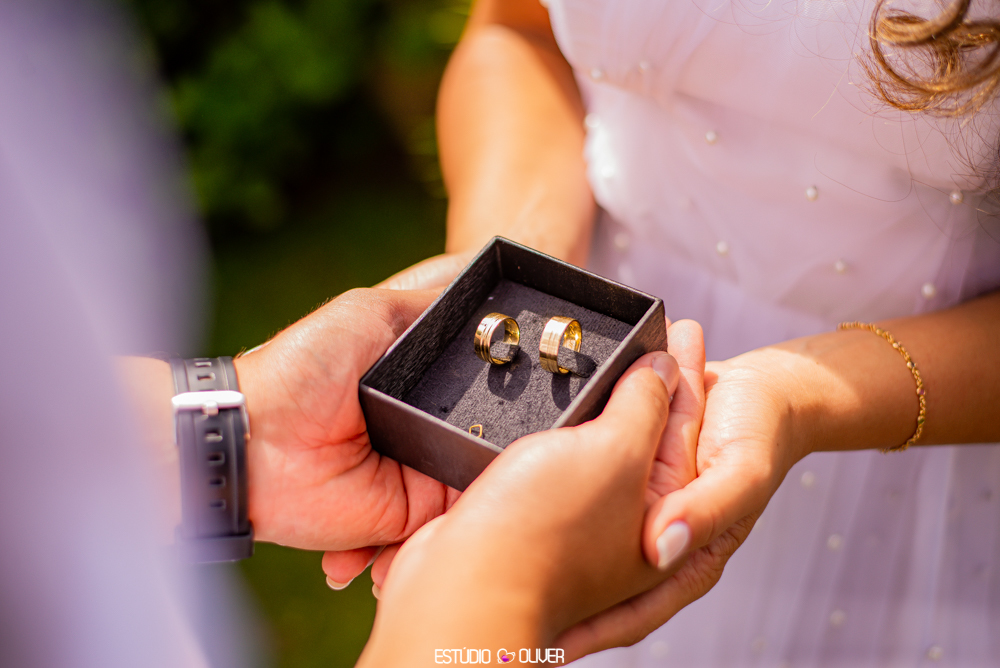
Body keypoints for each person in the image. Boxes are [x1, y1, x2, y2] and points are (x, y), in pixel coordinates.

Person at [371, 0, 1000, 664]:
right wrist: (516, 278)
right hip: (595, 344)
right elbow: (518, 29)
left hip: (913, 414)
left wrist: (791, 395)